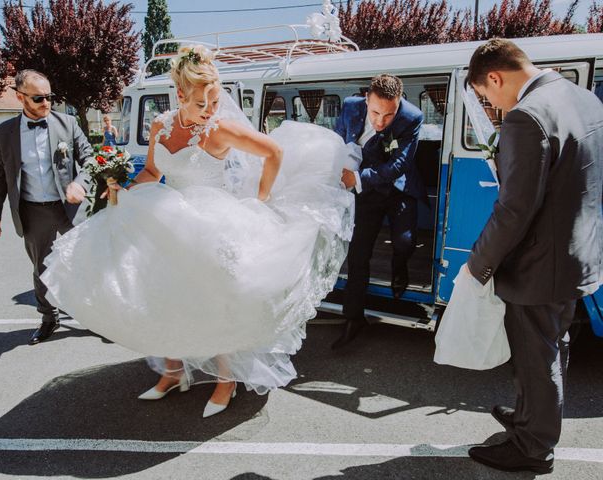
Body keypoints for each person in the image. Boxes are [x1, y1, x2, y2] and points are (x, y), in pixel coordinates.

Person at [41, 45, 354, 417]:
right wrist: (123, 190)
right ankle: (173, 371)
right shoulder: (161, 125)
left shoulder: (220, 131)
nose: (210, 109)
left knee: (213, 300)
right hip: (168, 220)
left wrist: (262, 198)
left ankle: (226, 380)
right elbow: (153, 173)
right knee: (166, 296)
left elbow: (273, 152)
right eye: (202, 102)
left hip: (212, 222)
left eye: (215, 100)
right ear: (180, 96)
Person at [465, 38, 603, 474]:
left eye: (488, 97)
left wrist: (478, 264)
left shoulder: (526, 117)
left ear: (495, 76)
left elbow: (515, 209)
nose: (494, 106)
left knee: (535, 355)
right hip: (576, 253)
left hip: (539, 265)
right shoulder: (584, 98)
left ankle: (532, 447)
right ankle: (532, 418)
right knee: (551, 348)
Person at [0, 69, 92, 345]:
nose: (47, 103)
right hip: (31, 211)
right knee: (42, 268)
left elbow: (90, 160)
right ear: (20, 97)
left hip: (69, 208)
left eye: (50, 97)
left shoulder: (67, 123)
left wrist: (80, 183)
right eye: (38, 98)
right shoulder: (2, 133)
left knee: (87, 261)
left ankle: (96, 315)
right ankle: (49, 318)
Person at [331, 74, 427, 350]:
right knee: (358, 252)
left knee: (405, 242)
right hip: (366, 194)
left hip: (398, 188)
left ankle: (400, 269)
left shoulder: (413, 117)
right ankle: (353, 318)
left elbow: (399, 165)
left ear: (399, 105)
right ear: (366, 100)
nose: (381, 121)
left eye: (389, 114)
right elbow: (339, 141)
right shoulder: (350, 106)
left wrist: (357, 178)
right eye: (375, 112)